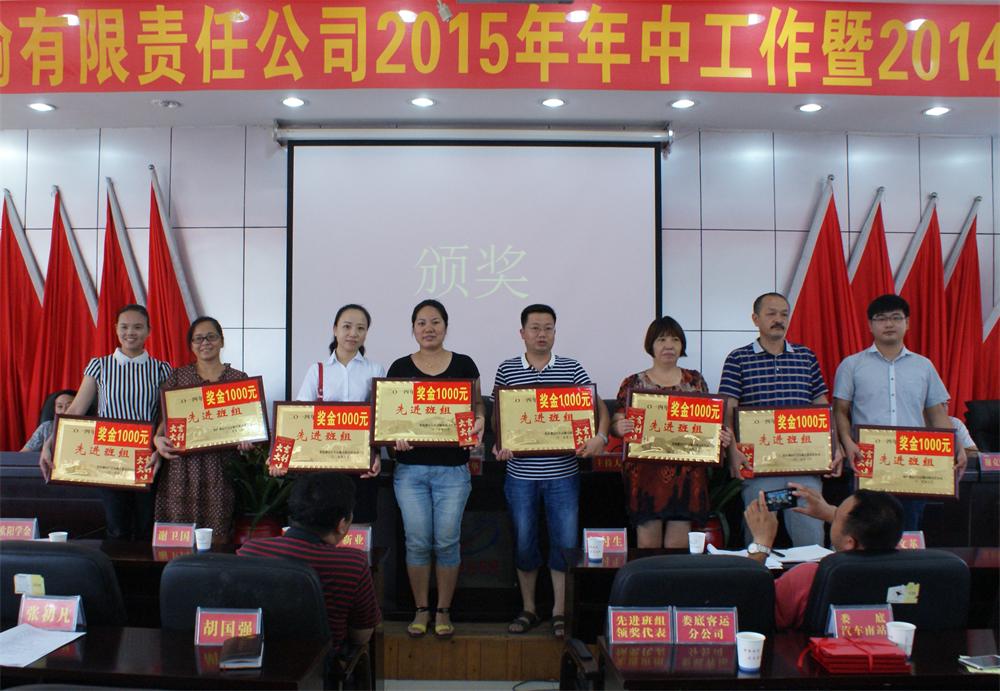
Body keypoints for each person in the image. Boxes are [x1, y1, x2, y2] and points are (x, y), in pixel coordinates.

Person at [494, 304, 609, 639]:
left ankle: (560, 611)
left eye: (548, 328)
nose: (541, 334)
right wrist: (501, 442)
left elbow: (598, 406)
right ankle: (529, 608)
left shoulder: (571, 368)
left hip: (563, 475)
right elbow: (500, 417)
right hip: (520, 476)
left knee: (565, 544)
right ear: (522, 333)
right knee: (524, 543)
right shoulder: (507, 369)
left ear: (555, 333)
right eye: (535, 328)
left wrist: (600, 437)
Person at [387, 299, 485, 639]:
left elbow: (477, 405)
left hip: (453, 471)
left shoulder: (464, 364)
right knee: (416, 542)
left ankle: (443, 610)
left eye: (435, 322)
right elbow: (390, 418)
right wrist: (394, 439)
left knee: (446, 542)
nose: (429, 328)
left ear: (446, 326)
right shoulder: (399, 366)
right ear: (413, 328)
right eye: (421, 322)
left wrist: (480, 419)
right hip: (410, 472)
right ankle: (421, 609)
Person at [719, 292, 843, 547]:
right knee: (758, 539)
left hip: (804, 463)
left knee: (811, 538)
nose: (779, 319)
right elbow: (728, 410)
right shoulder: (738, 358)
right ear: (755, 319)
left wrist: (835, 446)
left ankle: (810, 573)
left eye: (784, 314)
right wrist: (732, 452)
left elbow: (821, 405)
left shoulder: (806, 356)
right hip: (759, 466)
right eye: (771, 314)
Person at [833, 294, 965, 531]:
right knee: (867, 533)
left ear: (907, 323)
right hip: (868, 462)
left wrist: (956, 446)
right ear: (870, 325)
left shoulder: (923, 366)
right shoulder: (852, 365)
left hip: (912, 464)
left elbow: (936, 413)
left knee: (908, 532)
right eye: (881, 318)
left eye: (896, 318)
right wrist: (847, 442)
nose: (889, 324)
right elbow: (840, 410)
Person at [39, 304, 172, 539]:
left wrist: (158, 448)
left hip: (145, 457)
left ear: (148, 331)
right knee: (117, 526)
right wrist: (49, 444)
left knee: (145, 526)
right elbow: (76, 409)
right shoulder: (99, 365)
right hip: (107, 457)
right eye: (125, 327)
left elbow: (165, 414)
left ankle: (144, 566)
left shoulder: (161, 369)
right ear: (116, 329)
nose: (130, 332)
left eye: (138, 327)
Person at [610, 317, 733, 548]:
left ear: (682, 345)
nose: (669, 345)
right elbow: (616, 422)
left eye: (675, 340)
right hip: (646, 474)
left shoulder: (694, 380)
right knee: (648, 548)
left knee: (677, 548)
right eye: (662, 339)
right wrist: (620, 427)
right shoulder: (634, 383)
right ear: (651, 345)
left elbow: (710, 421)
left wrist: (720, 435)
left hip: (686, 474)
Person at [237, 472, 380, 648]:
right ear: (342, 524)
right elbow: (362, 636)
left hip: (264, 661)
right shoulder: (352, 564)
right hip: (324, 663)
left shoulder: (251, 551)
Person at [744, 483, 904, 630]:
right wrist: (831, 513)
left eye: (837, 515)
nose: (833, 514)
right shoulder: (904, 575)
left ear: (850, 542)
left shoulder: (808, 578)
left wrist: (761, 542)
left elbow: (749, 609)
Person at [152, 317, 254, 542]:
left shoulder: (238, 379)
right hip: (182, 466)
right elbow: (165, 419)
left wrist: (248, 441)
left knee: (217, 535)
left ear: (221, 341)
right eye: (198, 339)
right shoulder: (178, 377)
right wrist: (157, 439)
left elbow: (248, 425)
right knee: (178, 535)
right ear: (191, 345)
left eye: (211, 337)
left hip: (221, 466)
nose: (205, 343)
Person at [281, 304, 386, 524]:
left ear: (366, 333)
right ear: (335, 329)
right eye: (347, 326)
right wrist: (281, 455)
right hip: (323, 462)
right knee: (322, 523)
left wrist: (375, 455)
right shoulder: (317, 370)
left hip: (360, 463)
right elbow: (298, 417)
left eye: (360, 328)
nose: (353, 333)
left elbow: (380, 419)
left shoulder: (375, 370)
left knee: (358, 523)